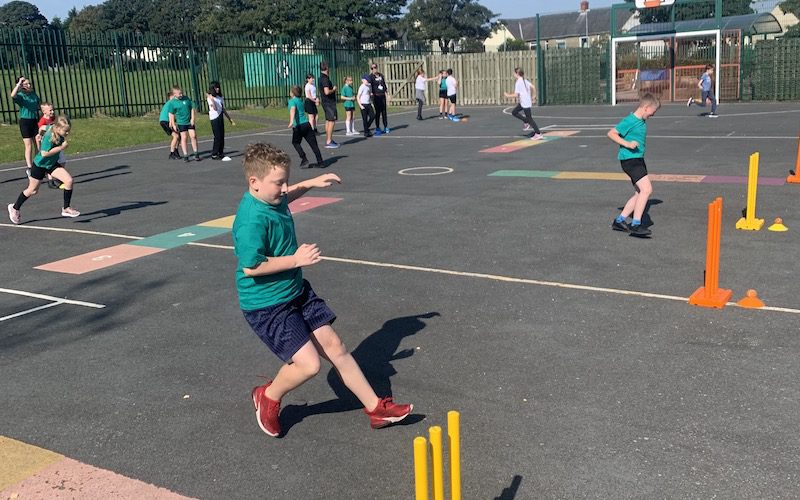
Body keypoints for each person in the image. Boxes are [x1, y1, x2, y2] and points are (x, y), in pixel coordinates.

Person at [233, 143, 413, 437]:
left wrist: (311, 183)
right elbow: (252, 267)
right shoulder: (251, 220)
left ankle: (376, 409)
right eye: (279, 182)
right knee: (309, 365)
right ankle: (268, 396)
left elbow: (285, 196)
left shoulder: (271, 198)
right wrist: (296, 260)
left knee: (336, 347)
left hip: (294, 290)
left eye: (286, 180)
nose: (285, 187)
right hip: (267, 304)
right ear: (254, 182)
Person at [607, 93, 661, 237]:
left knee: (639, 192)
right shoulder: (630, 120)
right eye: (652, 111)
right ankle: (636, 224)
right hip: (630, 160)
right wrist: (627, 144)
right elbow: (611, 133)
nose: (653, 115)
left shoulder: (641, 120)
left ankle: (620, 221)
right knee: (647, 190)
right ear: (646, 107)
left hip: (637, 159)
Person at [8, 116, 79, 224]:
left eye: (68, 131)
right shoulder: (49, 137)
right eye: (66, 131)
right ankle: (14, 207)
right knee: (32, 190)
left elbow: (42, 127)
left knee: (69, 180)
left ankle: (66, 208)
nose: (67, 133)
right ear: (58, 128)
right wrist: (60, 148)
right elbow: (44, 153)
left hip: (51, 164)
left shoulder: (51, 127)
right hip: (40, 165)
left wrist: (38, 135)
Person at [288, 85, 324, 168]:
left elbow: (293, 109)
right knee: (313, 144)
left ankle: (304, 158)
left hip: (298, 126)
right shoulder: (300, 101)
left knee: (295, 142)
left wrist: (291, 121)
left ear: (292, 93)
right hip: (307, 124)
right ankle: (320, 161)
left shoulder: (292, 101)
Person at [10, 76, 41, 174]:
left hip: (34, 120)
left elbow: (39, 105)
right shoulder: (21, 95)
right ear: (22, 86)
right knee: (28, 146)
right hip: (25, 122)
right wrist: (18, 84)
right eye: (26, 84)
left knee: (38, 143)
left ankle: (37, 164)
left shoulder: (33, 94)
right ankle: (29, 167)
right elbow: (12, 95)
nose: (29, 85)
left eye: (29, 83)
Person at [503, 68, 543, 140]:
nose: (513, 74)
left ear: (517, 74)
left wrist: (507, 95)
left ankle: (538, 133)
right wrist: (534, 96)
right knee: (514, 112)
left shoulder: (519, 82)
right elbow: (533, 87)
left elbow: (516, 95)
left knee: (530, 118)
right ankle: (525, 121)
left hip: (525, 102)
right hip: (524, 102)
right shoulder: (524, 80)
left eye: (514, 73)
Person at [167, 85, 201, 162]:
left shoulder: (186, 99)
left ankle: (196, 153)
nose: (181, 95)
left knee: (193, 136)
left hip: (189, 121)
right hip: (181, 122)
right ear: (174, 94)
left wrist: (192, 118)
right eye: (179, 94)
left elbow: (192, 108)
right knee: (184, 137)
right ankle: (186, 155)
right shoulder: (172, 103)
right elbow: (171, 114)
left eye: (181, 93)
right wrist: (173, 124)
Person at [36, 102, 62, 188]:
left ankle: (57, 177)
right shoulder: (42, 121)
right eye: (50, 110)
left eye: (53, 109)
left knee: (62, 160)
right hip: (48, 144)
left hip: (55, 142)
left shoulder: (54, 118)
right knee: (50, 162)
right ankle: (50, 180)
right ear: (44, 111)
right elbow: (40, 133)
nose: (52, 112)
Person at [207, 81, 236, 160]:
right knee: (217, 136)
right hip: (214, 118)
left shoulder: (220, 97)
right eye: (216, 87)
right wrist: (212, 99)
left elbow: (222, 109)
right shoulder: (210, 98)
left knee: (222, 135)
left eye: (218, 87)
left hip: (220, 117)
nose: (218, 89)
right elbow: (215, 108)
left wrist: (230, 119)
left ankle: (221, 152)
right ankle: (214, 153)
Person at [318, 62, 339, 149]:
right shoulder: (325, 79)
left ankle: (329, 139)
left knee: (328, 120)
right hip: (329, 102)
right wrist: (333, 89)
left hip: (326, 102)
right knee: (331, 121)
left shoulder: (321, 78)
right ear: (326, 68)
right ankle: (329, 141)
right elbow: (326, 91)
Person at [368, 63, 389, 135]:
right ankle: (377, 127)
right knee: (377, 112)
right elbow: (369, 87)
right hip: (376, 97)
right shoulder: (371, 77)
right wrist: (370, 95)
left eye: (375, 67)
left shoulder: (381, 75)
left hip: (382, 96)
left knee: (384, 112)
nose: (374, 69)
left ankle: (386, 126)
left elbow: (384, 85)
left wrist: (387, 94)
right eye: (372, 68)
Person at [159, 91, 180, 160]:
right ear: (171, 97)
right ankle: (172, 153)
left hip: (167, 121)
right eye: (174, 96)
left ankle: (176, 150)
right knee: (176, 136)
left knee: (178, 136)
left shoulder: (171, 103)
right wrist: (172, 123)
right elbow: (170, 114)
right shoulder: (171, 103)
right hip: (165, 121)